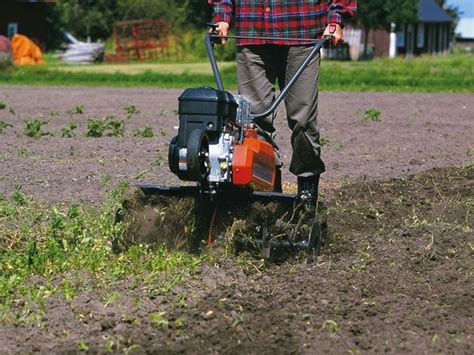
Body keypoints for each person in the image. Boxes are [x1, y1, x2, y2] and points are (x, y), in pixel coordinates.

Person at [208, 0, 357, 204]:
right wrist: (222, 18)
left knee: (303, 120)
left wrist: (336, 20)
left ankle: (306, 197)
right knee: (252, 122)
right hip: (253, 34)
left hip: (302, 32)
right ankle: (268, 197)